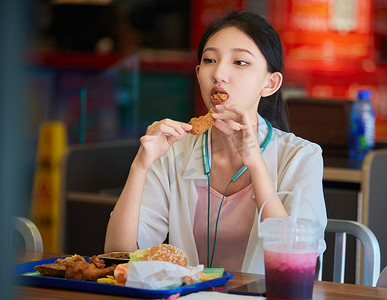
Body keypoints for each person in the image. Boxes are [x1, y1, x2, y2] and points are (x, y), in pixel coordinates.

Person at [104, 11, 327, 274]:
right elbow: (117, 256)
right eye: (210, 60)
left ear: (270, 83)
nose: (219, 73)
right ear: (198, 73)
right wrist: (139, 167)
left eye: (240, 62)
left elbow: (295, 265)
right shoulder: (173, 150)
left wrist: (255, 163)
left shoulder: (302, 156)